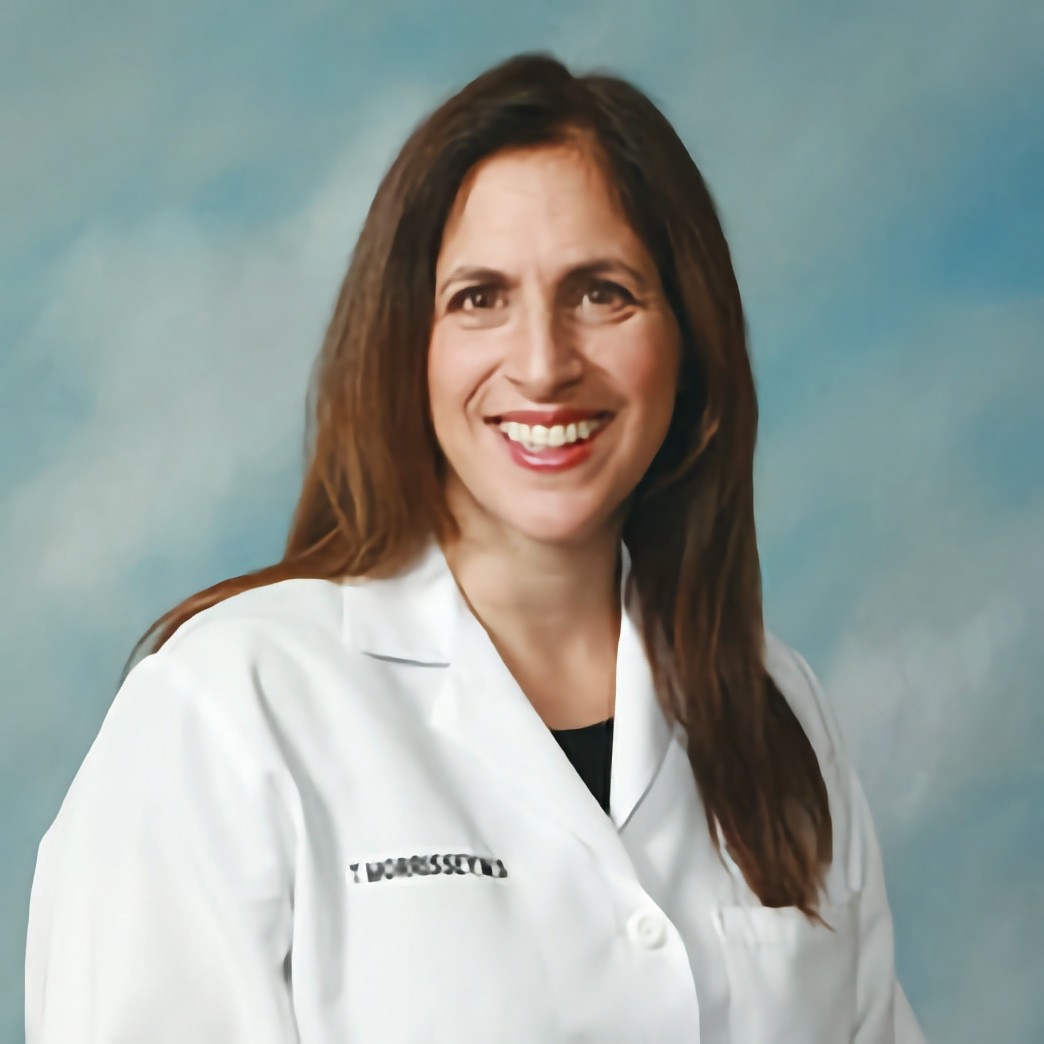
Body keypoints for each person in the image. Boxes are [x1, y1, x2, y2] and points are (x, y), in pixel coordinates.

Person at [25, 53, 926, 1043]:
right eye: (479, 297)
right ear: (404, 342)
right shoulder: (230, 707)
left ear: (689, 339)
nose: (543, 364)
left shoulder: (777, 707)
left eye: (602, 292)